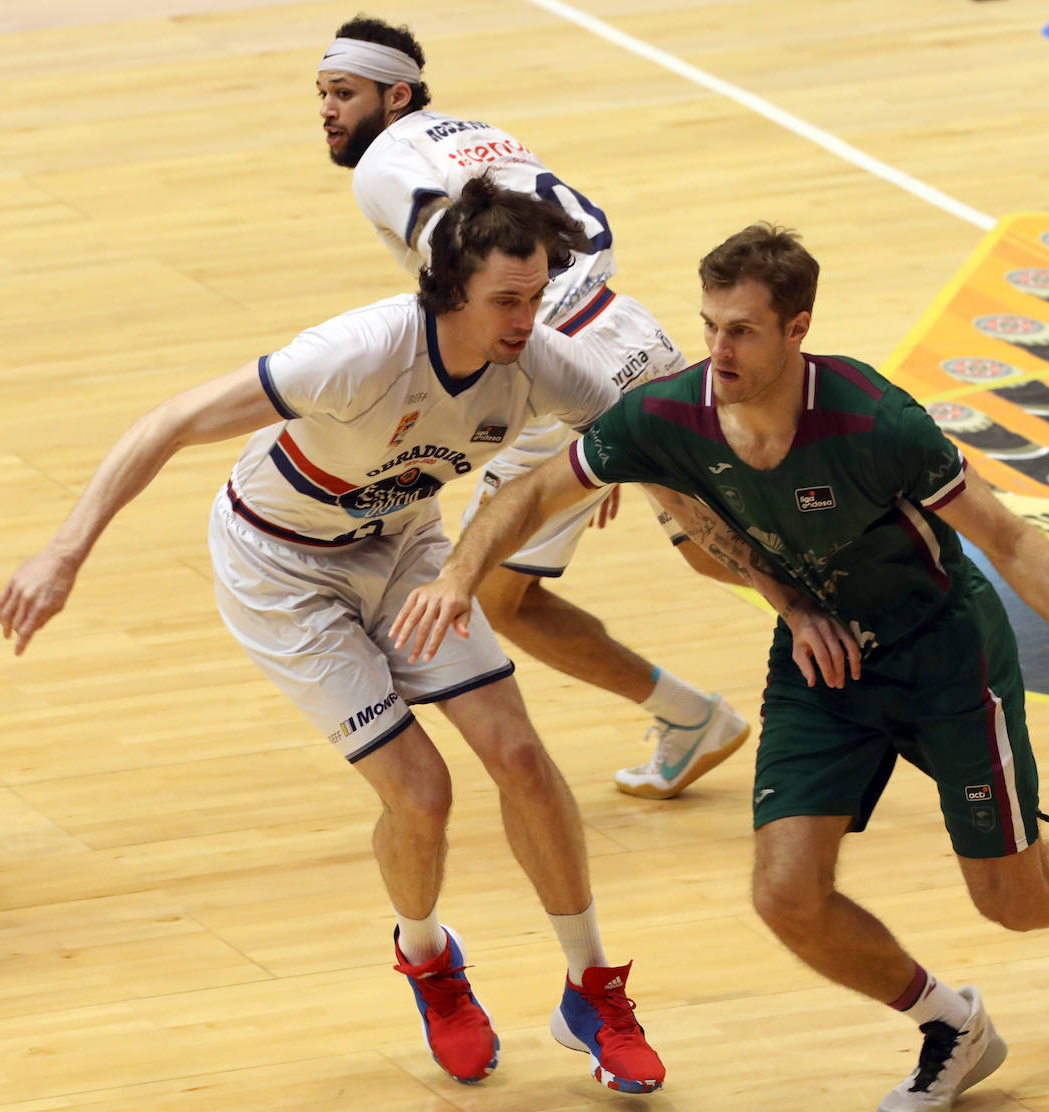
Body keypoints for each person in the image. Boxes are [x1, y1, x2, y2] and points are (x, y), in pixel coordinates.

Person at [390, 224, 1049, 1111]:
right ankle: (951, 1025)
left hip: (943, 655)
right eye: (709, 326)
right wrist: (461, 576)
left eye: (740, 331)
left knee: (1012, 897)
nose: (718, 350)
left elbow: (1008, 539)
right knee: (786, 895)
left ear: (796, 329)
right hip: (823, 664)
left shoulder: (872, 420)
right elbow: (535, 490)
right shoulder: (669, 415)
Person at [0, 179, 667, 1095]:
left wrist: (607, 473)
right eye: (506, 301)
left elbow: (629, 433)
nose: (526, 318)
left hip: (404, 552)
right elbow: (168, 422)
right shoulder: (357, 354)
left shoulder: (542, 361)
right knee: (422, 795)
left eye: (537, 295)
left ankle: (589, 988)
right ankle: (428, 958)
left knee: (517, 754)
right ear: (449, 293)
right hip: (282, 572)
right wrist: (64, 553)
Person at [315, 15, 749, 799]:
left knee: (497, 591)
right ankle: (724, 700)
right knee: (702, 545)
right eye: (323, 94)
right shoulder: (479, 132)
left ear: (396, 93)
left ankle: (850, 640)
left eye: (344, 93)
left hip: (557, 361)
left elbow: (467, 262)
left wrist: (574, 424)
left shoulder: (382, 164)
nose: (328, 110)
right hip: (625, 328)